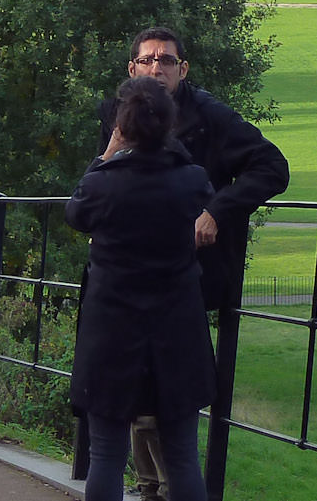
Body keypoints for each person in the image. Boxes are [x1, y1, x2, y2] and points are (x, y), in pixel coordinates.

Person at [93, 26, 291, 500]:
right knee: (141, 400)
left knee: (166, 400)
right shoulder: (114, 114)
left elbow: (272, 168)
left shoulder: (212, 117)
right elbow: (101, 193)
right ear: (132, 68)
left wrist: (216, 210)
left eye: (166, 61)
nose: (156, 69)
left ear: (183, 69)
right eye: (147, 61)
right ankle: (152, 487)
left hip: (189, 276)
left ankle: (159, 487)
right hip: (127, 280)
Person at [69, 77, 215, 501]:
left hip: (111, 329)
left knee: (107, 454)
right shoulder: (191, 181)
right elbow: (198, 187)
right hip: (177, 328)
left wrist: (106, 155)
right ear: (169, 124)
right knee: (183, 454)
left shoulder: (102, 184)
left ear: (122, 125)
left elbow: (76, 213)